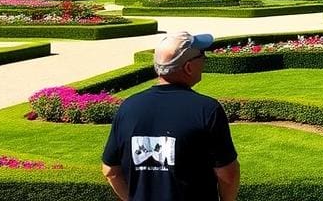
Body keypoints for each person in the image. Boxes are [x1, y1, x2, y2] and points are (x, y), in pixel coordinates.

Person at [101, 31, 240, 201]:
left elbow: (110, 171)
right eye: (201, 55)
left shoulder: (128, 107)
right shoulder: (207, 109)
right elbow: (228, 175)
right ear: (188, 67)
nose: (204, 60)